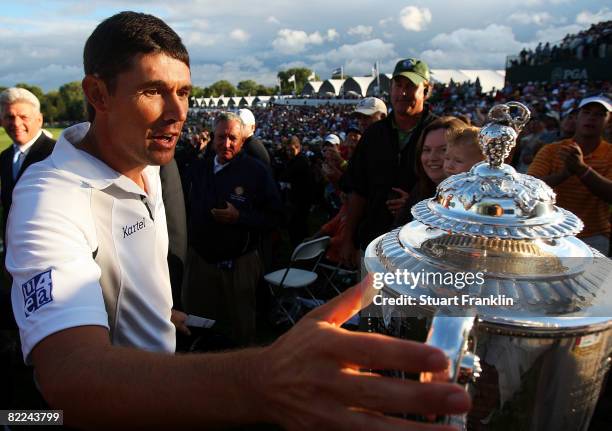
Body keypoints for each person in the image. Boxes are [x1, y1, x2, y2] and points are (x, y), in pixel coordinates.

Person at [7, 12, 470, 429]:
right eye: (152, 91)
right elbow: (68, 377)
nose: (178, 113)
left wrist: (154, 312)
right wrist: (261, 379)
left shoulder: (145, 155)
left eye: (184, 92)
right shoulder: (49, 196)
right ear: (97, 94)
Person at [183, 112, 283, 346]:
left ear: (241, 140)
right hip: (201, 259)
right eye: (221, 137)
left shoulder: (256, 171)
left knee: (242, 325)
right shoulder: (200, 168)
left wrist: (240, 217)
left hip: (238, 261)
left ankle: (246, 371)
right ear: (212, 137)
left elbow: (275, 216)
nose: (226, 144)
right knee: (198, 320)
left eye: (232, 138)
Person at [342, 58, 437, 267]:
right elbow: (357, 191)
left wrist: (415, 202)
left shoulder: (439, 133)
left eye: (411, 86)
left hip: (422, 248)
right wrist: (348, 238)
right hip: (373, 242)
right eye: (398, 85)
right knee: (370, 300)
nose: (402, 93)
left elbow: (452, 189)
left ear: (426, 90)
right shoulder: (373, 134)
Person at [528, 95, 612, 254]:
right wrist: (564, 174)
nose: (591, 118)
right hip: (550, 232)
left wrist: (582, 170)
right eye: (586, 112)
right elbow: (530, 188)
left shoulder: (610, 154)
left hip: (594, 236)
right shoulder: (551, 150)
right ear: (576, 118)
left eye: (599, 114)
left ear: (608, 121)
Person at [0, 87, 55, 243]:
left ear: (39, 119)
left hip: (47, 252)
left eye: (23, 117)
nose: (16, 123)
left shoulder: (57, 154)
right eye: (9, 117)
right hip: (13, 254)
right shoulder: (5, 157)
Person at [395, 117, 467, 226]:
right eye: (427, 150)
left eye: (443, 149)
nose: (432, 157)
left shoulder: (473, 202)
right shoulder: (420, 190)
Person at [281, 135, 315, 247]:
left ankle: (302, 248)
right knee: (296, 225)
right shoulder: (294, 160)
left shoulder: (301, 162)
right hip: (295, 198)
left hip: (301, 200)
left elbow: (288, 175)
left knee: (299, 225)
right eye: (287, 150)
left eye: (291, 149)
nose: (289, 152)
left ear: (298, 147)